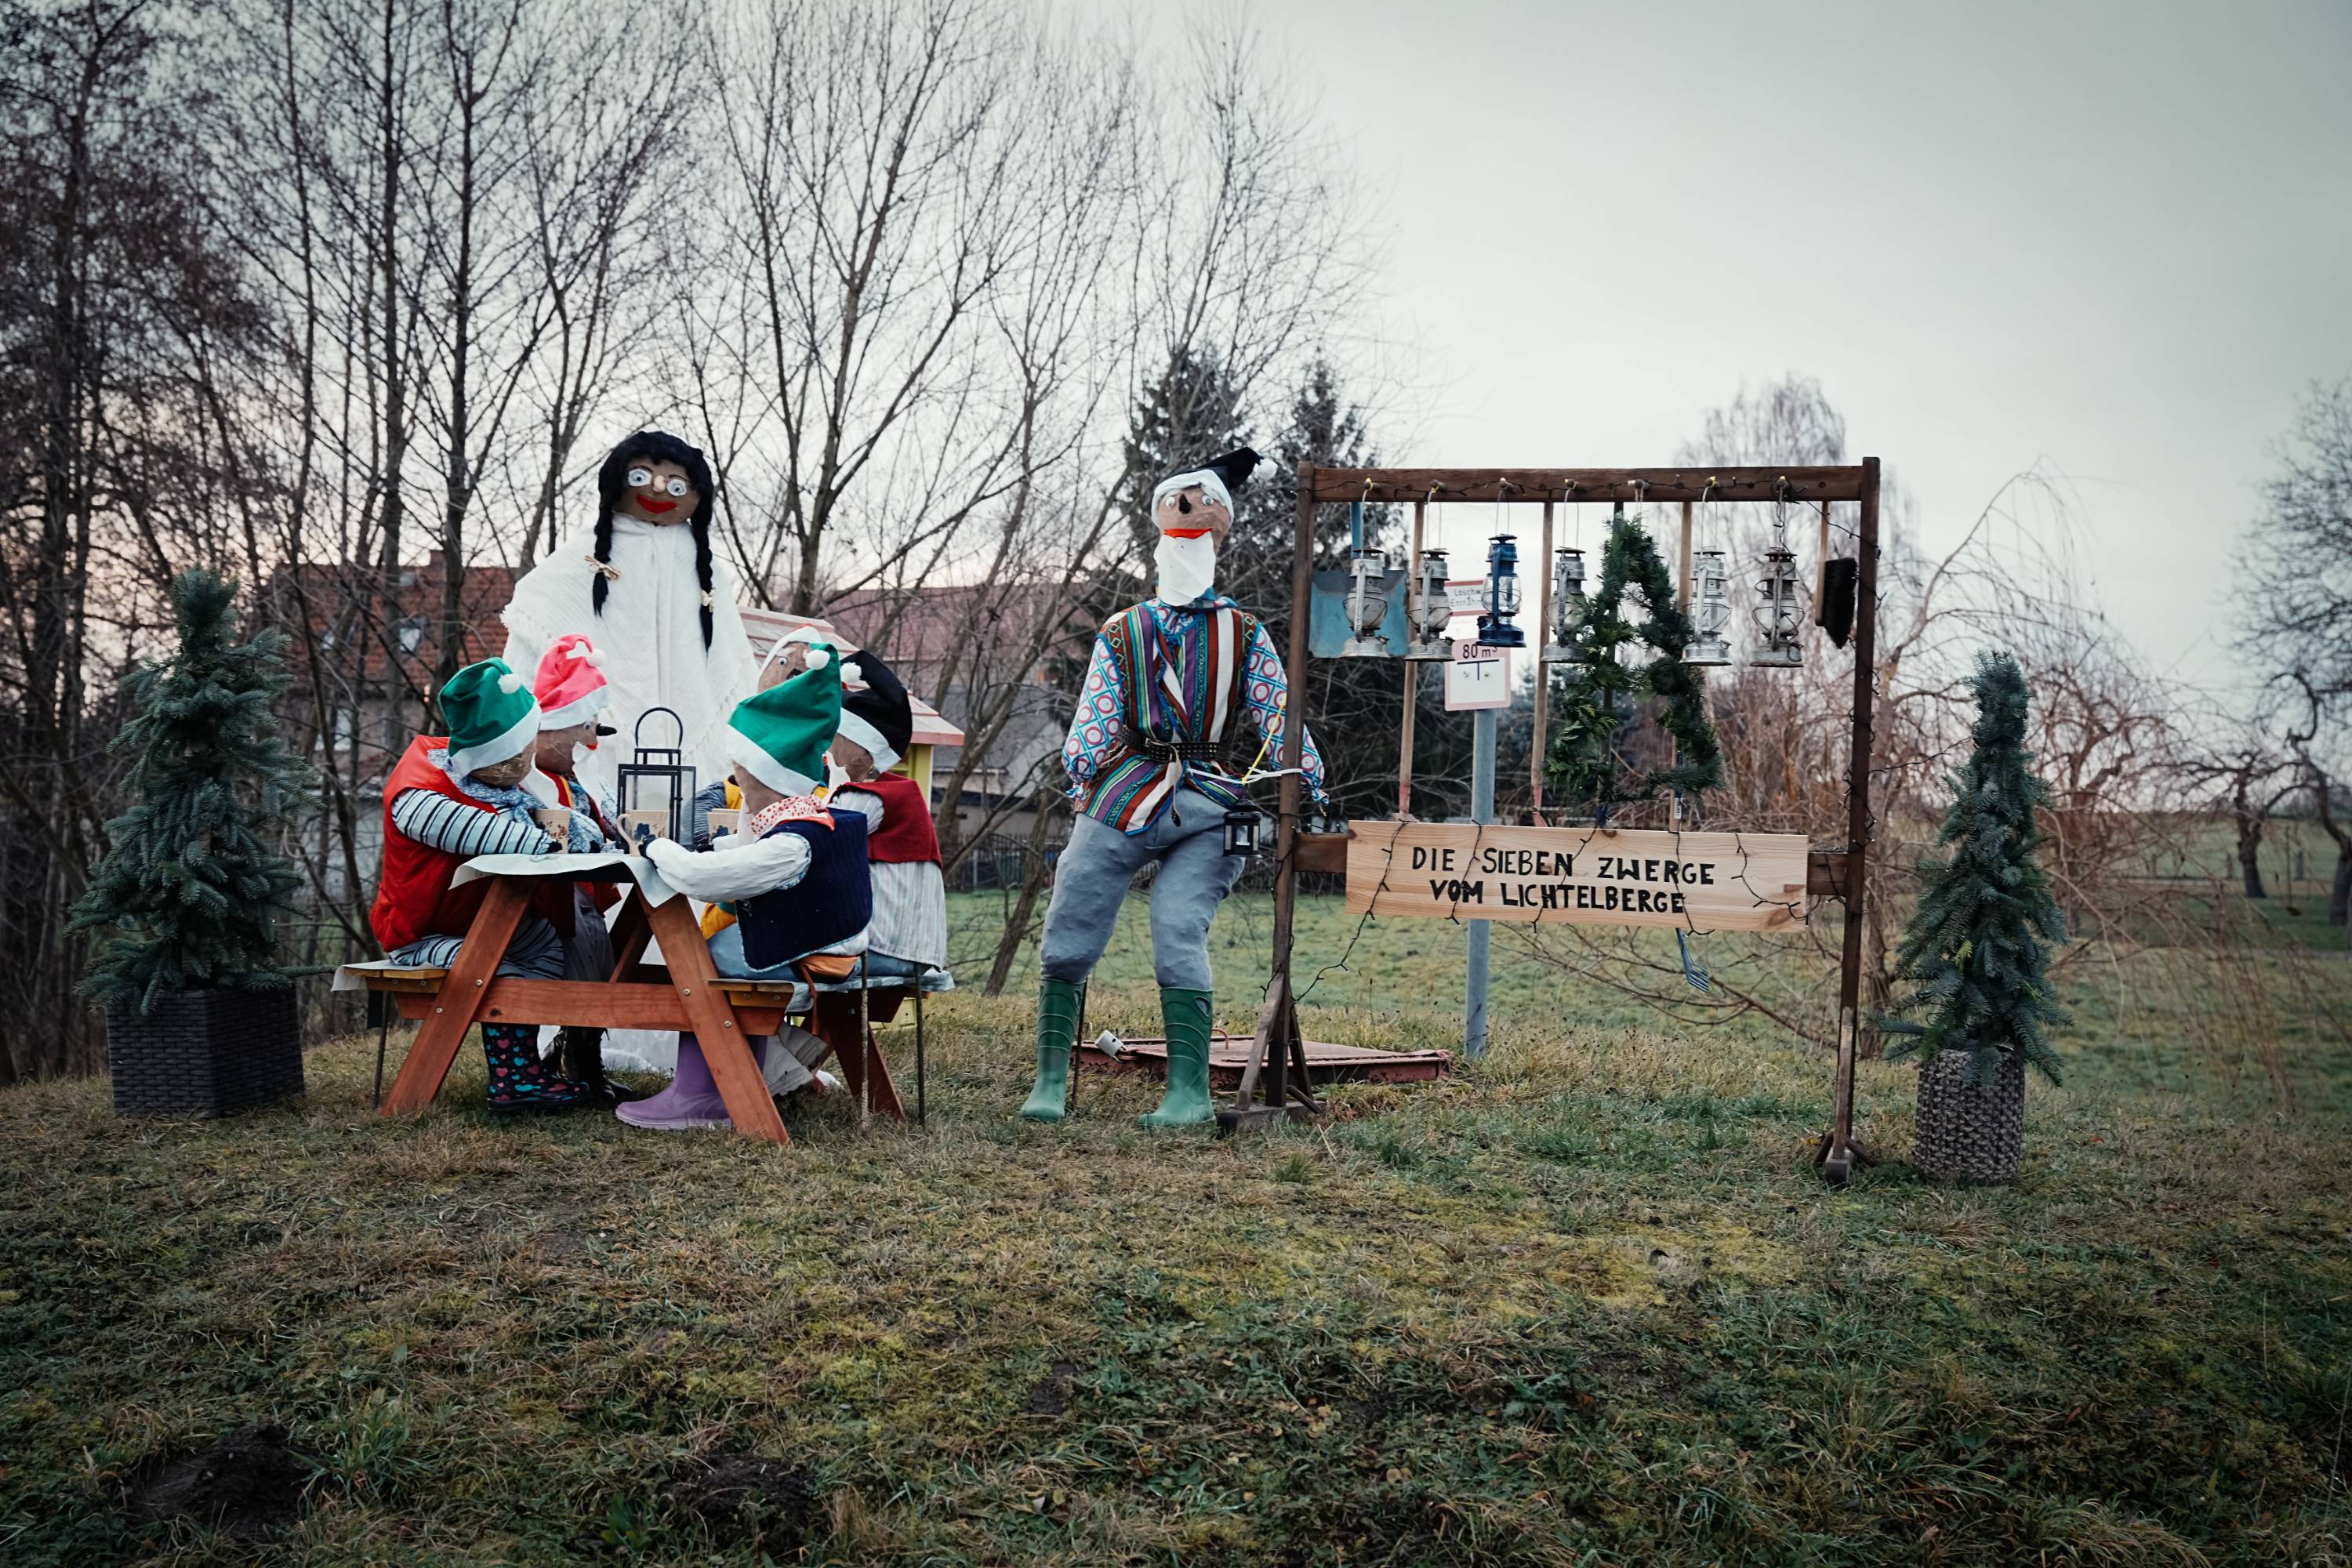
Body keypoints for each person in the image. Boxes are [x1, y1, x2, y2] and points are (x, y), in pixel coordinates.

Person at [1021, 448, 1328, 1128]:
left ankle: (1188, 1093)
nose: (1189, 515)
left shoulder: (1244, 634)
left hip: (1208, 799)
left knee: (1178, 926)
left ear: (1220, 530)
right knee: (1071, 915)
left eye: (1200, 508)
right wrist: (1083, 767)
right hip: (1124, 791)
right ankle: (1049, 1080)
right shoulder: (1123, 631)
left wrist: (1303, 771)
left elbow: (1277, 709)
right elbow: (1097, 714)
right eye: (1178, 506)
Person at [500, 430, 759, 1076]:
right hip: (599, 744)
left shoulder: (708, 570)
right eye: (642, 478)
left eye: (676, 484)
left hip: (691, 758)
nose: (658, 493)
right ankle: (581, 1029)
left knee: (690, 865)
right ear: (617, 481)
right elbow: (542, 611)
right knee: (595, 882)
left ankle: (693, 1035)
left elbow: (729, 666)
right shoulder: (583, 558)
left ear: (698, 495)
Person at [617, 648, 872, 1131]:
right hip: (825, 945)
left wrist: (656, 846)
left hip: (802, 955)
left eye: (741, 772)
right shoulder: (816, 819)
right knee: (716, 953)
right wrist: (717, 847)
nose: (736, 780)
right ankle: (767, 1069)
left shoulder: (792, 843)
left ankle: (701, 1094)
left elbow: (701, 879)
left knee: (699, 963)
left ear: (760, 776)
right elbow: (746, 855)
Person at [369, 659, 601, 1113]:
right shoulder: (420, 795)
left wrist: (573, 824)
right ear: (491, 755)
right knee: (493, 967)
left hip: (485, 924)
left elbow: (579, 826)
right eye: (518, 753)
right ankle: (514, 1080)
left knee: (551, 945)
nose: (526, 761)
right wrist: (553, 834)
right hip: (423, 934)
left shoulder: (499, 781)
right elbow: (505, 839)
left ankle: (535, 1060)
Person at [523, 633, 641, 1103]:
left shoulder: (577, 779)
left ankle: (581, 1050)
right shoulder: (530, 781)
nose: (592, 741)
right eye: (584, 729)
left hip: (581, 889)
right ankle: (577, 1056)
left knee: (598, 947)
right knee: (585, 942)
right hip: (542, 895)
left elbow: (609, 823)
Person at [828, 648, 949, 980]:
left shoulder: (866, 798)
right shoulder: (898, 791)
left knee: (745, 952)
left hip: (886, 947)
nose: (826, 746)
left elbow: (818, 841)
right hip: (914, 949)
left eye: (834, 737)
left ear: (860, 749)